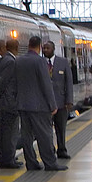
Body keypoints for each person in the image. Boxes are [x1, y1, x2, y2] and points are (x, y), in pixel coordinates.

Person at [15, 36, 66, 171]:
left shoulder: (18, 61)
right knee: (44, 135)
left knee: (27, 137)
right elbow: (46, 84)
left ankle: (31, 163)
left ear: (28, 45)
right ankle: (50, 163)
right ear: (39, 46)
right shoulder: (40, 61)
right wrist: (53, 105)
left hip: (23, 105)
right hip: (39, 106)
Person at [0, 39, 22, 169]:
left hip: (5, 102)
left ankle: (9, 157)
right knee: (10, 133)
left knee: (7, 132)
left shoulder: (5, 59)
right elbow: (1, 82)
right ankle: (8, 160)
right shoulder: (10, 61)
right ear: (17, 47)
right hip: (9, 104)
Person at [42, 41, 74, 159]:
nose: (45, 50)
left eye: (48, 48)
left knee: (61, 128)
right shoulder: (40, 63)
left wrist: (69, 100)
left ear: (53, 49)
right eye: (44, 48)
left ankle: (62, 149)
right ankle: (50, 150)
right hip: (45, 104)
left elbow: (69, 82)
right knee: (47, 129)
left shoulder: (63, 62)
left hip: (61, 102)